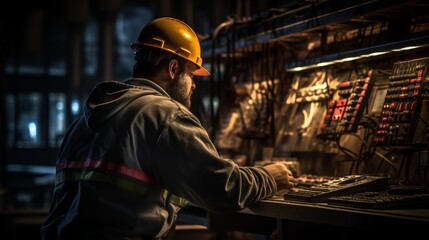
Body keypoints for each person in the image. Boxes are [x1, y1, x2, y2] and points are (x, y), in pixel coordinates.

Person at [40, 17, 295, 240]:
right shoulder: (166, 115)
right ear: (173, 68)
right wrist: (269, 176)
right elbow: (222, 189)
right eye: (191, 74)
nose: (194, 85)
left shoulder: (83, 121)